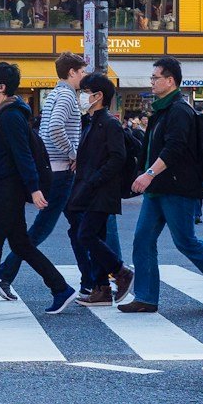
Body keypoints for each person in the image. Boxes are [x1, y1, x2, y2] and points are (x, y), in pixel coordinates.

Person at [0, 61, 75, 318]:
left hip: (8, 190)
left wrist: (34, 189)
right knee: (21, 244)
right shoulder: (5, 113)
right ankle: (60, 288)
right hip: (3, 186)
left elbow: (22, 156)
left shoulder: (10, 116)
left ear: (0, 87)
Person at [122, 57, 203, 312]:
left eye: (155, 78)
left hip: (178, 187)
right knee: (143, 240)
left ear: (170, 81)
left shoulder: (179, 110)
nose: (152, 82)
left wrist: (148, 173)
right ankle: (146, 298)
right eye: (152, 78)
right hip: (159, 188)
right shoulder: (162, 109)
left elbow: (175, 149)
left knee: (186, 242)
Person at [0, 54, 87, 302]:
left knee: (80, 225)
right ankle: (7, 274)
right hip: (61, 169)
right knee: (41, 230)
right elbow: (53, 127)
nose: (84, 77)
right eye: (82, 72)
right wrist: (73, 152)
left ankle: (94, 279)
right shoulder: (66, 96)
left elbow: (44, 130)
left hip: (52, 168)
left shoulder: (54, 94)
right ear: (72, 72)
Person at [66, 72, 133, 302]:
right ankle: (102, 288)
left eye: (85, 93)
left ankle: (121, 271)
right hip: (90, 189)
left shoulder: (109, 123)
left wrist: (94, 179)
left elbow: (117, 158)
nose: (82, 97)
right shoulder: (92, 122)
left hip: (101, 191)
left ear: (98, 96)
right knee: (96, 236)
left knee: (86, 235)